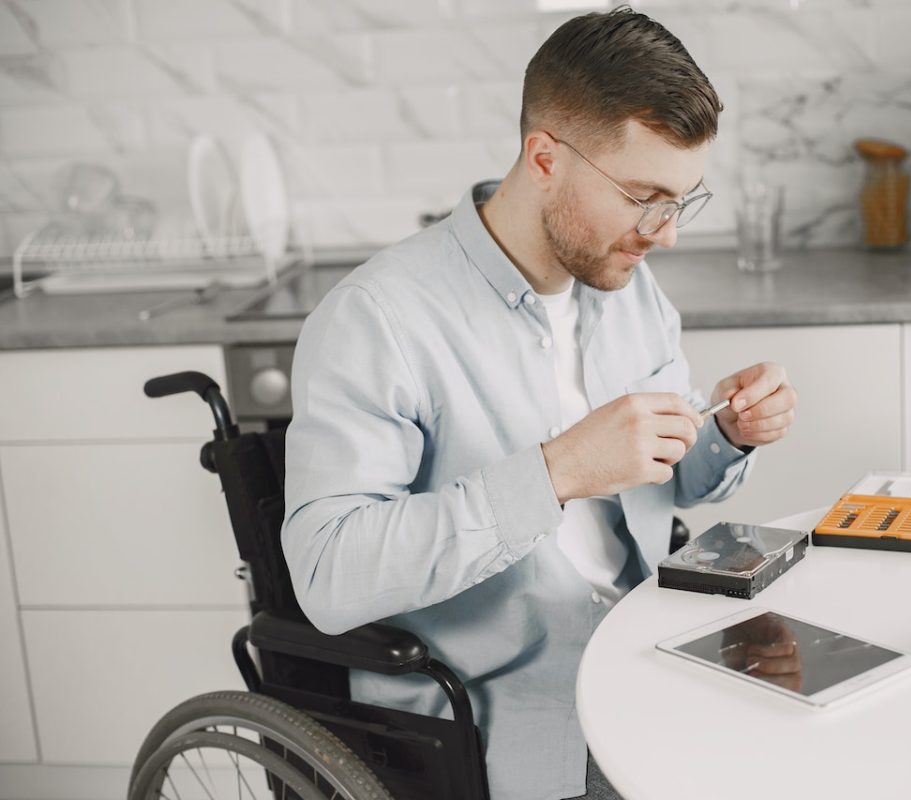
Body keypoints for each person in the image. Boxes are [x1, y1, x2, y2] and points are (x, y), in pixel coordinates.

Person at [282, 7, 798, 799]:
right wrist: (555, 472)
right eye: (644, 197)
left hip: (653, 650)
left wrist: (724, 431)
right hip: (510, 714)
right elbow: (327, 576)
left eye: (680, 202)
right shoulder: (377, 319)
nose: (663, 235)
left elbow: (671, 478)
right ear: (545, 157)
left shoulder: (627, 287)